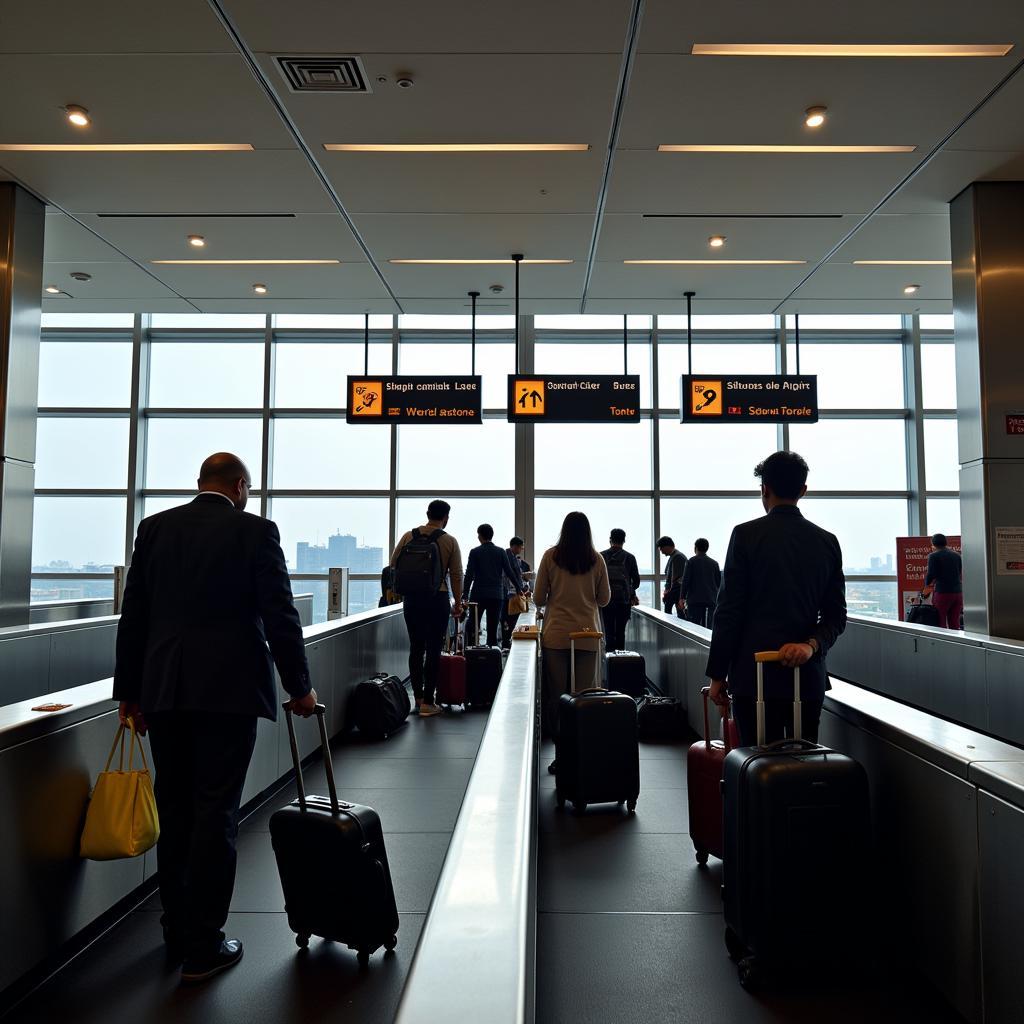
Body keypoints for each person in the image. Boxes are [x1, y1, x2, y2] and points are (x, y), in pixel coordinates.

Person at [113, 453, 316, 983]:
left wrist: (129, 692)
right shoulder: (255, 531)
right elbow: (279, 613)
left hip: (165, 691)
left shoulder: (154, 528)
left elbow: (134, 614)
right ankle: (204, 944)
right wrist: (300, 688)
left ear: (201, 482)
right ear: (241, 486)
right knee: (215, 813)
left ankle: (176, 930)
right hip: (228, 693)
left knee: (175, 807)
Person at [706, 451, 847, 747]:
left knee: (757, 771)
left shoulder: (745, 536)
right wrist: (810, 646)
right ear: (803, 491)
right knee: (803, 770)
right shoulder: (827, 541)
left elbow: (728, 611)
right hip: (806, 678)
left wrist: (718, 674)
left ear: (764, 489)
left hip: (753, 676)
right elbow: (836, 616)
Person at [534, 512, 611, 773]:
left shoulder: (550, 556)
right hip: (588, 637)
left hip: (556, 636)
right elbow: (604, 600)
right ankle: (583, 755)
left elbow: (538, 598)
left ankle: (561, 756)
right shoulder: (596, 558)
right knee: (584, 697)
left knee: (558, 698)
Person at [391, 500, 463, 717]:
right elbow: (457, 575)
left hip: (412, 599)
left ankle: (418, 697)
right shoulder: (449, 541)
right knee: (433, 649)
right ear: (446, 518)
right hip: (437, 599)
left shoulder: (408, 536)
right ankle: (428, 702)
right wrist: (457, 603)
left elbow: (394, 564)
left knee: (416, 647)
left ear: (427, 513)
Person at [463, 523, 525, 648]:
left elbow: (469, 574)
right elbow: (509, 572)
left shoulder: (475, 552)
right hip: (496, 596)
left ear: (480, 536)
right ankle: (492, 662)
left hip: (478, 595)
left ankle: (472, 655)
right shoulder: (500, 552)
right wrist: (519, 588)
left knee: (473, 627)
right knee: (492, 630)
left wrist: (464, 594)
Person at [600, 528, 641, 651]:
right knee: (620, 632)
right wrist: (631, 591)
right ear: (624, 540)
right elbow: (636, 581)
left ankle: (609, 661)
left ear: (610, 540)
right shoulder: (630, 558)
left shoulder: (601, 556)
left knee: (608, 631)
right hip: (623, 602)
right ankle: (620, 660)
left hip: (606, 601)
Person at [680, 538, 721, 628]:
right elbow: (719, 583)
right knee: (709, 629)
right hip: (711, 601)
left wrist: (682, 598)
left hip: (695, 601)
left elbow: (686, 581)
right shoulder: (714, 563)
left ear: (696, 548)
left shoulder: (691, 561)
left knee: (694, 628)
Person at [926, 533, 963, 630]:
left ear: (933, 544)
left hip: (943, 593)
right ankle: (956, 644)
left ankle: (941, 645)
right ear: (946, 542)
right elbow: (959, 572)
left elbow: (931, 574)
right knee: (955, 623)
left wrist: (926, 585)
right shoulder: (957, 555)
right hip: (958, 593)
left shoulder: (933, 556)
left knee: (940, 623)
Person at [502, 536, 532, 647]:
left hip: (511, 593)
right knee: (509, 620)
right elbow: (512, 576)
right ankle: (507, 643)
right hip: (510, 594)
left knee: (510, 620)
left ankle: (508, 642)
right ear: (515, 546)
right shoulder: (509, 557)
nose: (521, 549)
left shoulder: (512, 557)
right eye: (520, 547)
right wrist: (521, 588)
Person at [657, 536, 687, 617]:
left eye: (661, 549)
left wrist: (668, 593)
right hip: (675, 592)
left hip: (676, 592)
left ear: (666, 546)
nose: (661, 552)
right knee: (679, 615)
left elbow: (676, 579)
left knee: (678, 616)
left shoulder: (677, 557)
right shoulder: (675, 556)